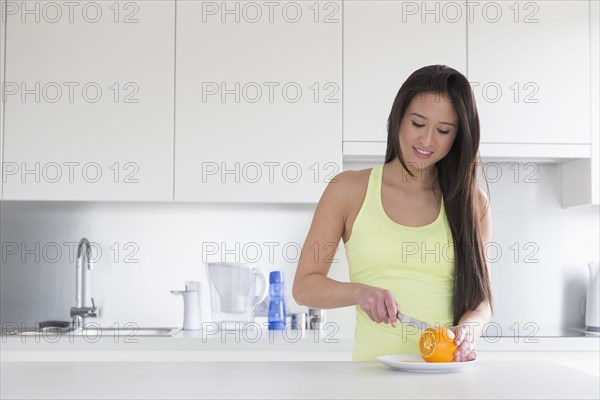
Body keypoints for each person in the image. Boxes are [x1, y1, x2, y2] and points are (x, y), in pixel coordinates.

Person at [292, 65, 493, 361]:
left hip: (444, 381)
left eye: (443, 130)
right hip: (371, 382)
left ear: (458, 136)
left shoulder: (473, 202)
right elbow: (304, 286)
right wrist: (359, 293)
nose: (427, 141)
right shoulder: (347, 190)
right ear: (397, 119)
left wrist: (468, 331)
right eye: (417, 123)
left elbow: (482, 302)